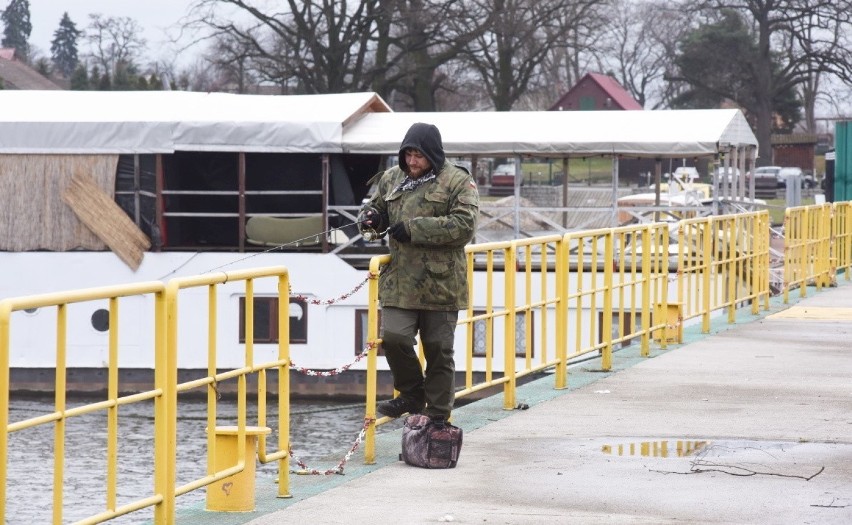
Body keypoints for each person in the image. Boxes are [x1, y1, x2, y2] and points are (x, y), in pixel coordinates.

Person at [358, 122, 479, 422]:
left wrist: (414, 229)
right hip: (400, 282)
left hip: (442, 285)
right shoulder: (391, 178)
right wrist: (371, 219)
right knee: (395, 338)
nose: (412, 162)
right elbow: (373, 213)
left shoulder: (457, 181)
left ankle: (438, 419)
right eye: (408, 154)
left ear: (434, 155)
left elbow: (465, 226)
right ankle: (412, 394)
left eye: (419, 156)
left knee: (439, 351)